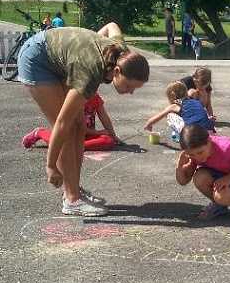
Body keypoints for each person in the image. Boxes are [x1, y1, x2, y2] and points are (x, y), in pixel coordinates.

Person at [17, 21, 149, 217]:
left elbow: (112, 25)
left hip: (58, 57)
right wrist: (51, 165)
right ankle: (72, 199)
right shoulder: (89, 73)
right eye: (130, 86)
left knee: (80, 126)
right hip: (37, 60)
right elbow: (61, 124)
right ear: (117, 72)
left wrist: (85, 46)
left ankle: (74, 189)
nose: (131, 93)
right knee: (69, 128)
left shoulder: (122, 53)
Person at [176, 123, 230, 223]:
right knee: (199, 177)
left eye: (200, 152)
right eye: (191, 154)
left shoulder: (227, 147)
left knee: (221, 197)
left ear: (208, 141)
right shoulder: (193, 154)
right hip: (223, 174)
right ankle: (220, 205)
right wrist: (180, 167)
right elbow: (183, 181)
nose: (198, 158)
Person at [23, 92, 121, 151]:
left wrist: (113, 135)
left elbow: (104, 117)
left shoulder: (94, 96)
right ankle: (40, 132)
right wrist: (98, 132)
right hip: (70, 133)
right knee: (60, 142)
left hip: (86, 135)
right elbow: (77, 127)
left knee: (108, 140)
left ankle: (75, 147)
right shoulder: (73, 99)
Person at [144, 80, 215, 140]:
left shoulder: (174, 106)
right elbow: (198, 113)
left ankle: (182, 137)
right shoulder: (195, 100)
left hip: (193, 135)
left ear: (173, 95)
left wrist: (149, 124)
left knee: (169, 115)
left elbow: (154, 119)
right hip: (209, 131)